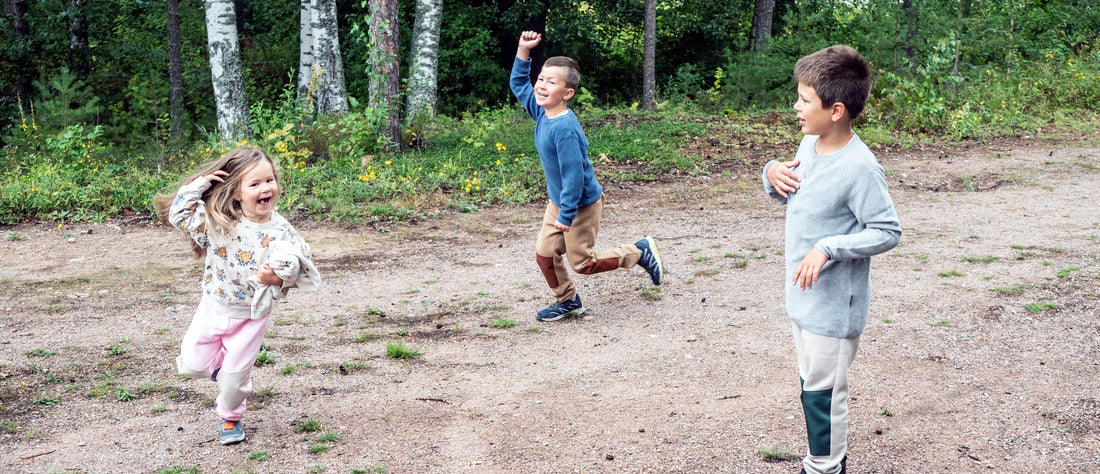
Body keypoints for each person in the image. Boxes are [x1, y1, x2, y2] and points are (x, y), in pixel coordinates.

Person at [762, 45, 902, 474]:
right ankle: (825, 460)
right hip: (804, 297)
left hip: (835, 307)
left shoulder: (860, 168)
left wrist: (828, 247)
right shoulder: (810, 142)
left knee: (825, 392)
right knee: (812, 385)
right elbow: (789, 187)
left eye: (804, 100)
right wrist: (770, 171)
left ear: (836, 109)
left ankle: (825, 466)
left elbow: (887, 230)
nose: (796, 107)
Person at [154, 147, 320, 445]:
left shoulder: (280, 228)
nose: (265, 188)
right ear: (237, 192)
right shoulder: (218, 221)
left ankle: (230, 418)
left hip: (252, 316)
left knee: (235, 382)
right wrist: (200, 184)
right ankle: (219, 370)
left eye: (269, 180)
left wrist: (280, 276)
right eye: (254, 184)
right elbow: (179, 214)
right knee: (191, 365)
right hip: (214, 306)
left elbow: (302, 259)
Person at [510, 30, 664, 322]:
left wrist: (566, 215)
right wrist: (523, 50)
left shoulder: (564, 129)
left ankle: (639, 252)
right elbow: (519, 84)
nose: (541, 86)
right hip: (559, 202)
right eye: (541, 79)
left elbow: (574, 178)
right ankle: (568, 301)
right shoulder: (543, 111)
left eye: (550, 82)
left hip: (579, 205)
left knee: (583, 263)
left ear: (567, 93)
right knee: (544, 255)